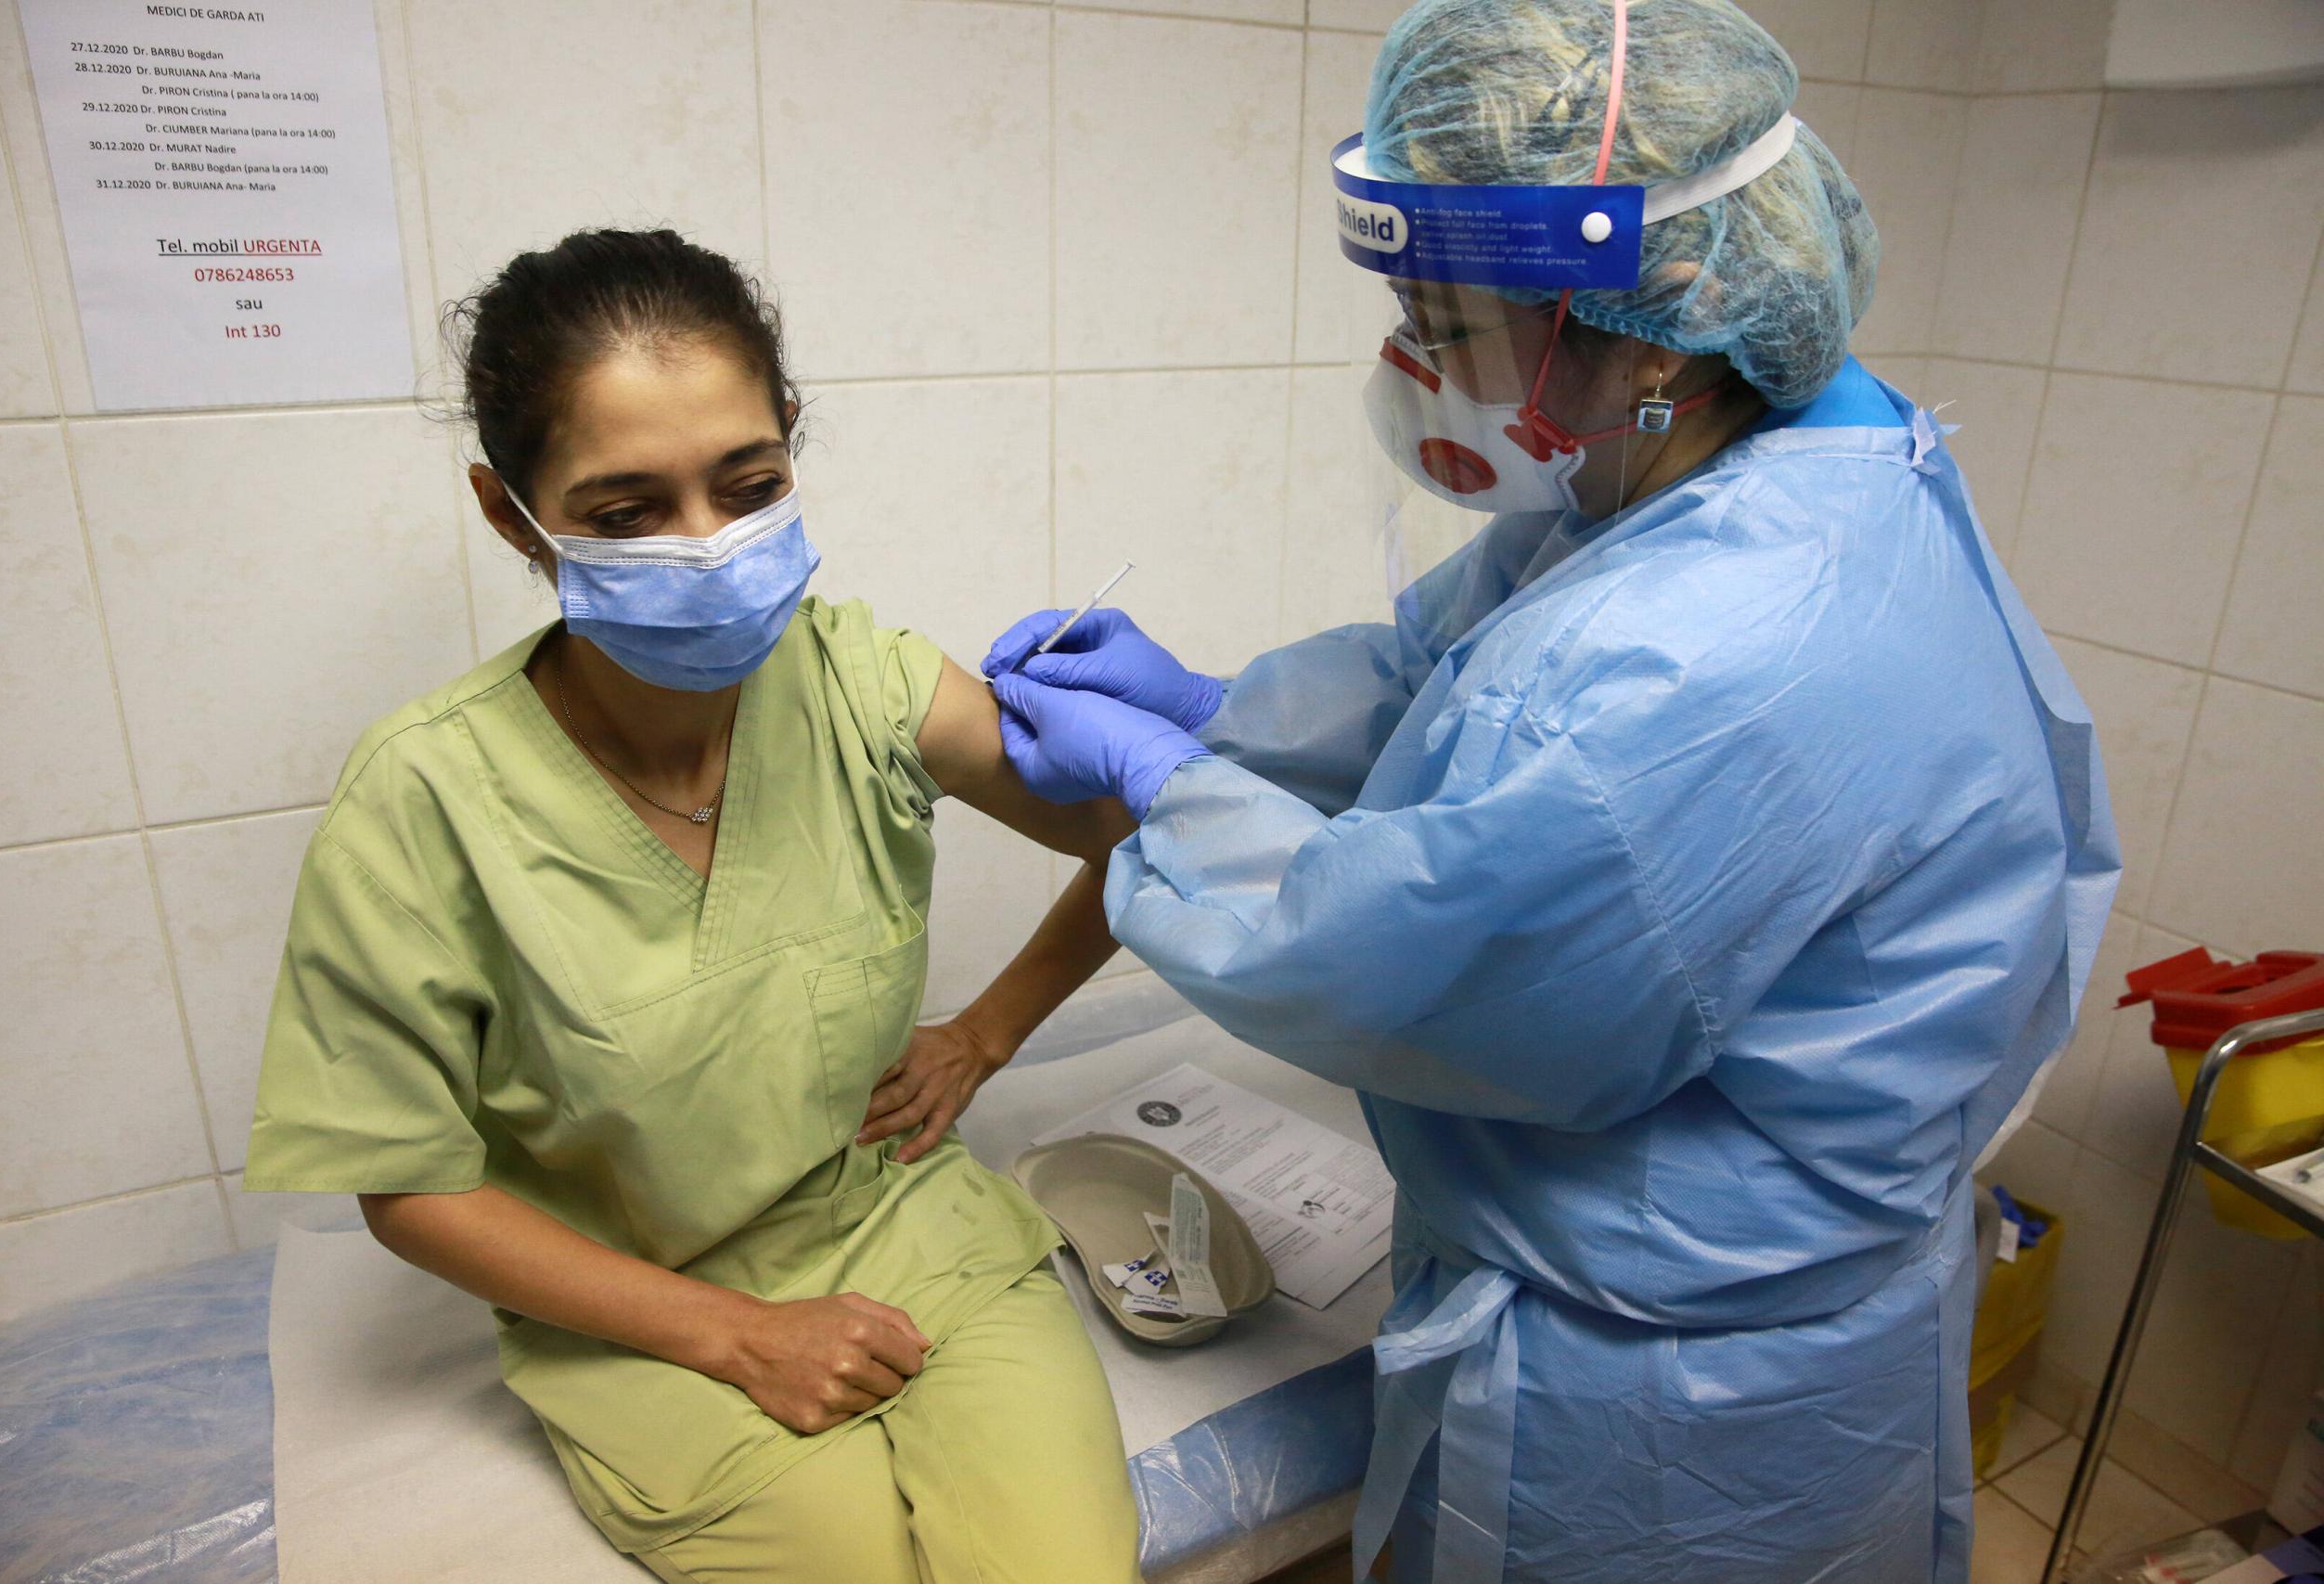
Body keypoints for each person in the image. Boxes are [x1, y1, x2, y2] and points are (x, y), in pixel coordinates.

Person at [981, 2, 2120, 1579]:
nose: (1407, 362)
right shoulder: (1731, 463)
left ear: (1644, 326)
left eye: (1443, 323)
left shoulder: (1725, 647)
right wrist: (1213, 707)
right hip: (1707, 1294)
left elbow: (1396, 957)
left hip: (1678, 1409)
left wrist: (1164, 786)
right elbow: (1452, 681)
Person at [243, 228, 1144, 1584]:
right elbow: (410, 1186)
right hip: (640, 1306)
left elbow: (1146, 837)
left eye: (747, 483)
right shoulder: (423, 798)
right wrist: (733, 1335)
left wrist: (993, 1028)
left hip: (903, 1221)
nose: (710, 548)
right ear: (512, 515)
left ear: (790, 445)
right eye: (626, 513)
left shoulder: (864, 684)